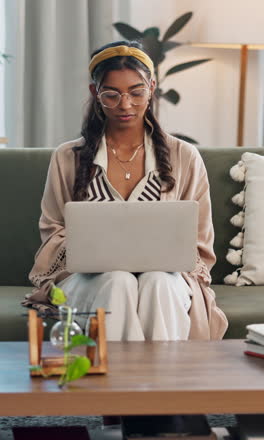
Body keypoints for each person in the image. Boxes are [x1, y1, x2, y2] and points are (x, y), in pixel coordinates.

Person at [23, 40, 228, 341]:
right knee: (117, 281)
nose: (125, 104)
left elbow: (199, 242)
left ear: (152, 88)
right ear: (95, 94)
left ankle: (162, 384)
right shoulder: (68, 157)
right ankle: (117, 386)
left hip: (167, 279)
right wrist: (91, 253)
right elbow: (53, 231)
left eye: (136, 92)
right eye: (111, 94)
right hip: (88, 279)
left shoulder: (184, 156)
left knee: (158, 282)